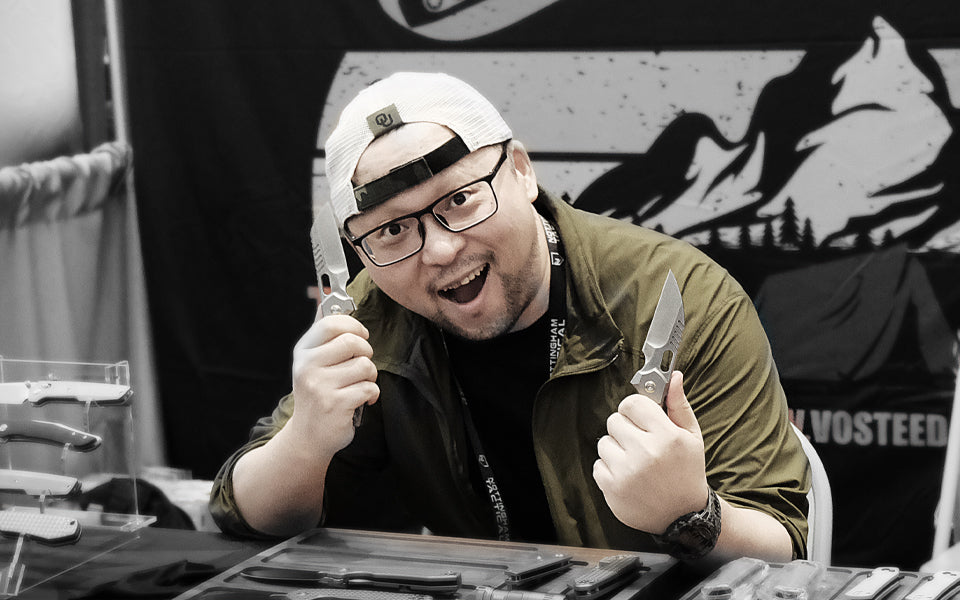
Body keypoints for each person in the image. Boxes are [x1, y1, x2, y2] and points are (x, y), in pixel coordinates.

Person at [209, 72, 810, 564]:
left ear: (520, 171)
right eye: (392, 230)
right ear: (358, 249)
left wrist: (691, 515)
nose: (441, 249)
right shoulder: (371, 315)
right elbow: (246, 515)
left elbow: (784, 548)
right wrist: (306, 439)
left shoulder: (678, 298)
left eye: (460, 199)